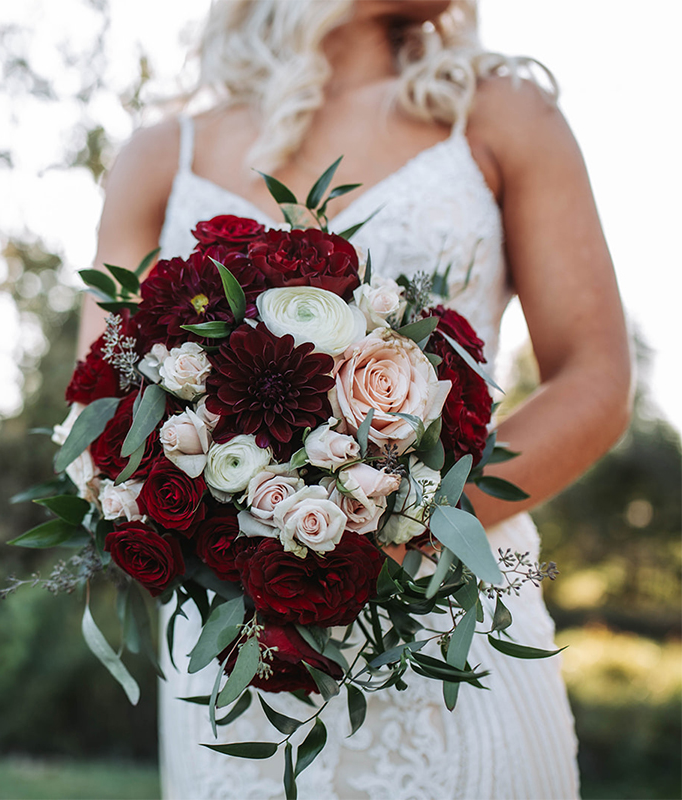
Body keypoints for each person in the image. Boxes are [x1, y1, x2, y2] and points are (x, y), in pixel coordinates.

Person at [75, 1, 632, 797]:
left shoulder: (499, 111)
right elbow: (103, 407)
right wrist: (230, 542)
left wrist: (397, 530)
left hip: (449, 632)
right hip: (242, 662)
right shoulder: (158, 155)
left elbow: (596, 379)